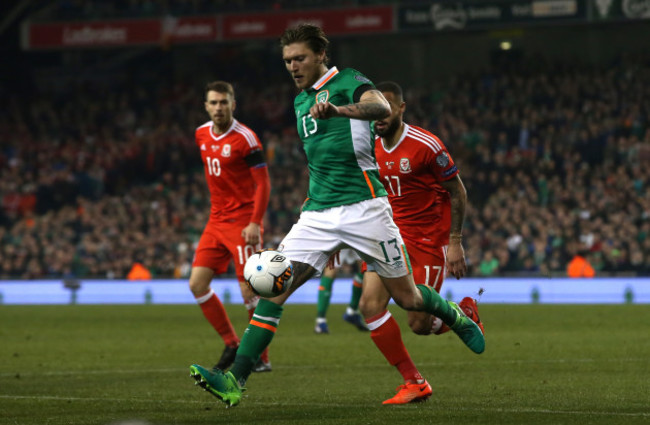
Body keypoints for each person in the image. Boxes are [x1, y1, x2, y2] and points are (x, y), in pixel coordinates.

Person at [189, 24, 484, 407]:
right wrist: (310, 209)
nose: (293, 67)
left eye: (300, 59)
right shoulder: (299, 102)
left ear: (320, 56)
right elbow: (319, 164)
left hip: (366, 208)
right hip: (318, 214)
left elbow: (380, 106)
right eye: (288, 61)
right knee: (273, 288)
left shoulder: (348, 80)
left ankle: (458, 318)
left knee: (409, 299)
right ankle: (235, 379)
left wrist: (339, 109)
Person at [359, 81, 485, 404]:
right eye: (375, 109)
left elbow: (458, 191)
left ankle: (463, 314)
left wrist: (455, 241)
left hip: (428, 237)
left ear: (401, 108)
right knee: (369, 306)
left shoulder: (426, 145)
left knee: (418, 322)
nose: (380, 116)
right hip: (385, 235)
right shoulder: (365, 145)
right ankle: (414, 381)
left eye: (387, 108)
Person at [189, 81, 272, 373]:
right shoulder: (201, 134)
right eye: (213, 103)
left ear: (233, 105)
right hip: (216, 221)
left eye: (223, 102)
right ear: (206, 106)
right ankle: (232, 343)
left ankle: (260, 358)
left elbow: (263, 183)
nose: (218, 108)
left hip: (242, 223)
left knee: (249, 291)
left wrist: (254, 222)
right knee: (197, 284)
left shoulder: (246, 139)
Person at [314, 249, 368, 334]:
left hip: (354, 236)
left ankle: (352, 311)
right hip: (347, 236)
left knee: (365, 268)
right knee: (331, 270)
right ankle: (321, 321)